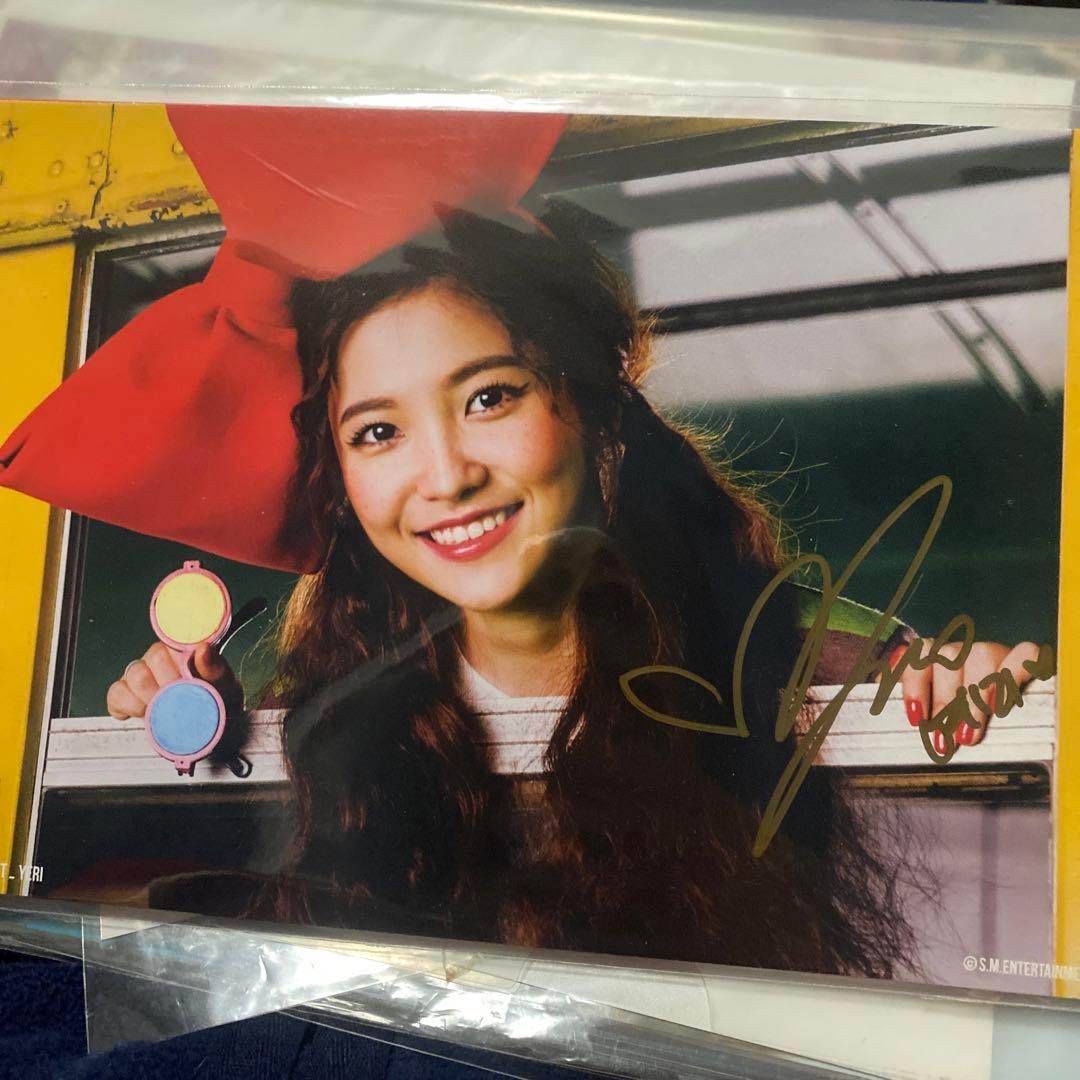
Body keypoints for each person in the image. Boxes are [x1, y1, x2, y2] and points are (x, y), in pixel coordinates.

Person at [102, 204, 1041, 977]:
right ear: (342, 483)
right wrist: (187, 729)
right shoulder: (330, 712)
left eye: (489, 397)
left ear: (595, 417)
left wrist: (985, 694)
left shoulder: (804, 654)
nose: (446, 476)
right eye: (378, 432)